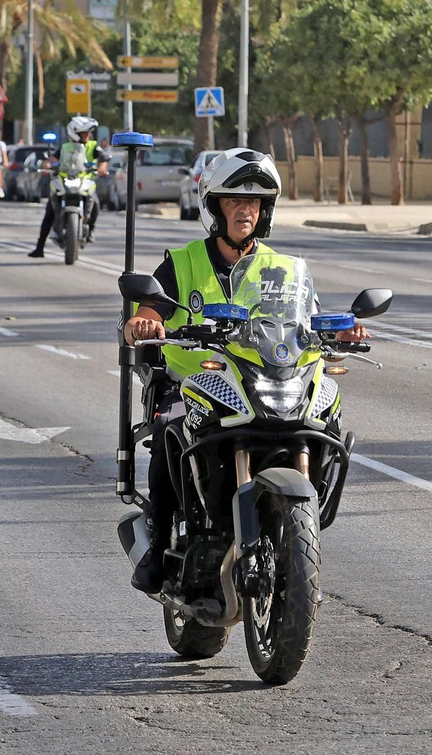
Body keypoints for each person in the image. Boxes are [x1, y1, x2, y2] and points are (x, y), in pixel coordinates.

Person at [119, 149, 370, 594]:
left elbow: (307, 319)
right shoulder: (182, 263)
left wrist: (343, 330)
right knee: (167, 428)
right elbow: (150, 307)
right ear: (214, 207)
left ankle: (297, 516)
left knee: (325, 417)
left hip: (264, 381)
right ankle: (158, 540)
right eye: (234, 200)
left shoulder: (284, 269)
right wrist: (144, 321)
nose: (245, 209)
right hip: (195, 385)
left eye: (254, 203)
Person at [29, 116, 105, 257]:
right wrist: (47, 164)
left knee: (96, 204)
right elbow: (52, 160)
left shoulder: (93, 145)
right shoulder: (64, 147)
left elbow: (103, 158)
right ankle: (40, 247)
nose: (87, 136)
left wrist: (101, 167)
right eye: (84, 133)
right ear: (74, 132)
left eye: (88, 133)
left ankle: (91, 231)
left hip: (85, 181)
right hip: (64, 179)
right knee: (50, 211)